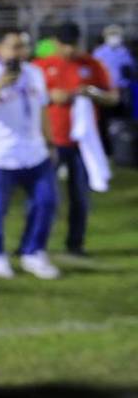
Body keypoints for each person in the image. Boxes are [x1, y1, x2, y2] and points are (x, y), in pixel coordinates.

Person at [0, 30, 59, 280]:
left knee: (46, 202)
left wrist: (50, 143)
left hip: (34, 152)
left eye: (24, 47)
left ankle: (33, 252)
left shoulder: (34, 73)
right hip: (0, 155)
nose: (20, 52)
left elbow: (42, 109)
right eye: (14, 46)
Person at [34, 22, 119, 258]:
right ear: (56, 43)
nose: (70, 50)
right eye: (65, 45)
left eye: (73, 45)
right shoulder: (42, 66)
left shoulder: (91, 65)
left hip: (82, 143)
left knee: (80, 196)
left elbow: (112, 97)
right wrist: (51, 96)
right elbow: (28, 97)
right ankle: (32, 244)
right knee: (43, 196)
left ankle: (75, 244)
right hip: (51, 139)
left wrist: (95, 94)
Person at [92, 24, 134, 153]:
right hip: (105, 91)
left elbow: (130, 72)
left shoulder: (125, 52)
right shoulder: (99, 53)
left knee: (122, 121)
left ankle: (122, 148)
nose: (114, 37)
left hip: (122, 91)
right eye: (111, 34)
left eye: (116, 34)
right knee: (104, 120)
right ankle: (106, 148)